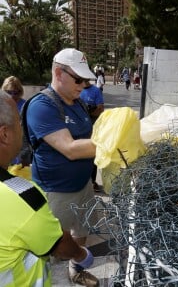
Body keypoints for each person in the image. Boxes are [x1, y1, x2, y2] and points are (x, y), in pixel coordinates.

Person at [0, 90, 96, 286]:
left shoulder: (78, 104)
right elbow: (59, 243)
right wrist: (81, 255)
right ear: (4, 134)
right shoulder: (21, 197)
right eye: (19, 123)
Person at [25, 48, 99, 286]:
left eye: (85, 80)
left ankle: (75, 269)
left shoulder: (78, 103)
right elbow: (69, 148)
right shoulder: (42, 106)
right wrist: (112, 143)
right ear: (58, 73)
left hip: (83, 185)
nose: (83, 85)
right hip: (56, 191)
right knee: (51, 245)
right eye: (78, 79)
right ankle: (43, 281)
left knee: (82, 229)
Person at [80, 80, 104, 192]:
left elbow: (100, 108)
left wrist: (89, 112)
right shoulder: (74, 90)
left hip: (92, 128)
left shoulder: (95, 91)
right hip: (78, 128)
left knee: (92, 154)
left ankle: (92, 181)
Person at [1, 76, 31, 166]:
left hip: (21, 146)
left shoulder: (26, 105)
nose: (13, 96)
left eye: (16, 92)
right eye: (9, 92)